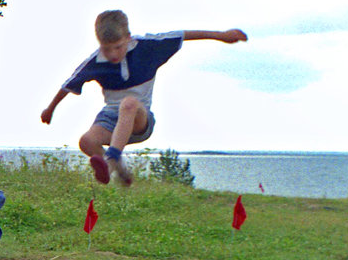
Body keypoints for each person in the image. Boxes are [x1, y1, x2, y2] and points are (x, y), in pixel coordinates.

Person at [41, 9, 247, 186]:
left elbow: (184, 35)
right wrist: (50, 109)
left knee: (128, 103)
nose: (113, 55)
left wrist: (221, 35)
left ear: (128, 38)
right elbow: (68, 85)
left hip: (140, 120)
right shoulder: (95, 61)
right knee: (86, 141)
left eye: (118, 47)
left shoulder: (148, 47)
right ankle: (119, 170)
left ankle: (111, 161)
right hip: (109, 119)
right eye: (106, 49)